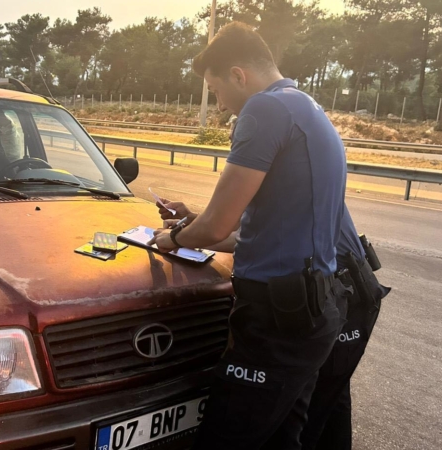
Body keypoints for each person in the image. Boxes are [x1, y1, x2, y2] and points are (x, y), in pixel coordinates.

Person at [147, 22, 350, 449]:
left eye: (216, 91)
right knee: (281, 439)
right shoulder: (304, 106)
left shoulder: (265, 109)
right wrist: (195, 223)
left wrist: (168, 239)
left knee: (226, 437)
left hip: (277, 319)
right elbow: (247, 236)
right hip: (311, 309)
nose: (220, 106)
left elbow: (218, 228)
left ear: (239, 75)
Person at [157, 199, 390, 449]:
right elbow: (241, 221)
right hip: (337, 290)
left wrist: (175, 238)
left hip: (340, 290)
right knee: (328, 402)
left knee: (314, 411)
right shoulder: (291, 169)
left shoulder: (279, 168)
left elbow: (248, 238)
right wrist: (193, 219)